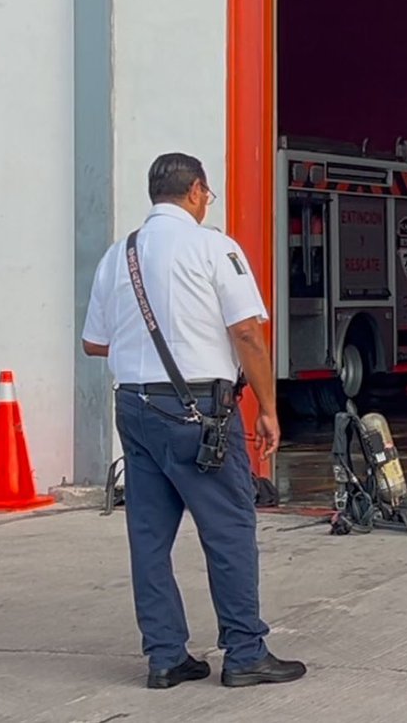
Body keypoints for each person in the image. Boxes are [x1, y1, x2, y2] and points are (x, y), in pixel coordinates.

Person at [82, 152, 307, 689]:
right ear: (198, 192)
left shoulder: (121, 254)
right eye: (209, 195)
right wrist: (270, 409)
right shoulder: (214, 247)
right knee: (229, 530)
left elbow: (95, 342)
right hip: (200, 412)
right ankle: (246, 653)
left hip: (135, 408)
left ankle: (165, 656)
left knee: (149, 536)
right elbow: (248, 333)